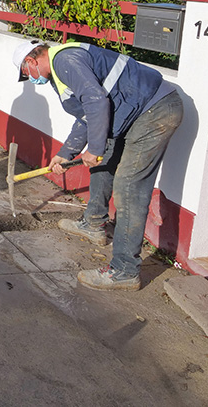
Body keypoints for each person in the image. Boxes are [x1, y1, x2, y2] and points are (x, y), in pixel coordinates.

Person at [13, 39, 183, 290]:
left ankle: (125, 270)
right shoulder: (61, 69)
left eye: (27, 73)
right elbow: (86, 115)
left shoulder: (65, 61)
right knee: (104, 163)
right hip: (132, 112)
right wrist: (66, 153)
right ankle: (94, 223)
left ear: (31, 61)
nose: (31, 79)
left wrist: (94, 148)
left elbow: (96, 101)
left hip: (153, 111)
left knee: (129, 187)